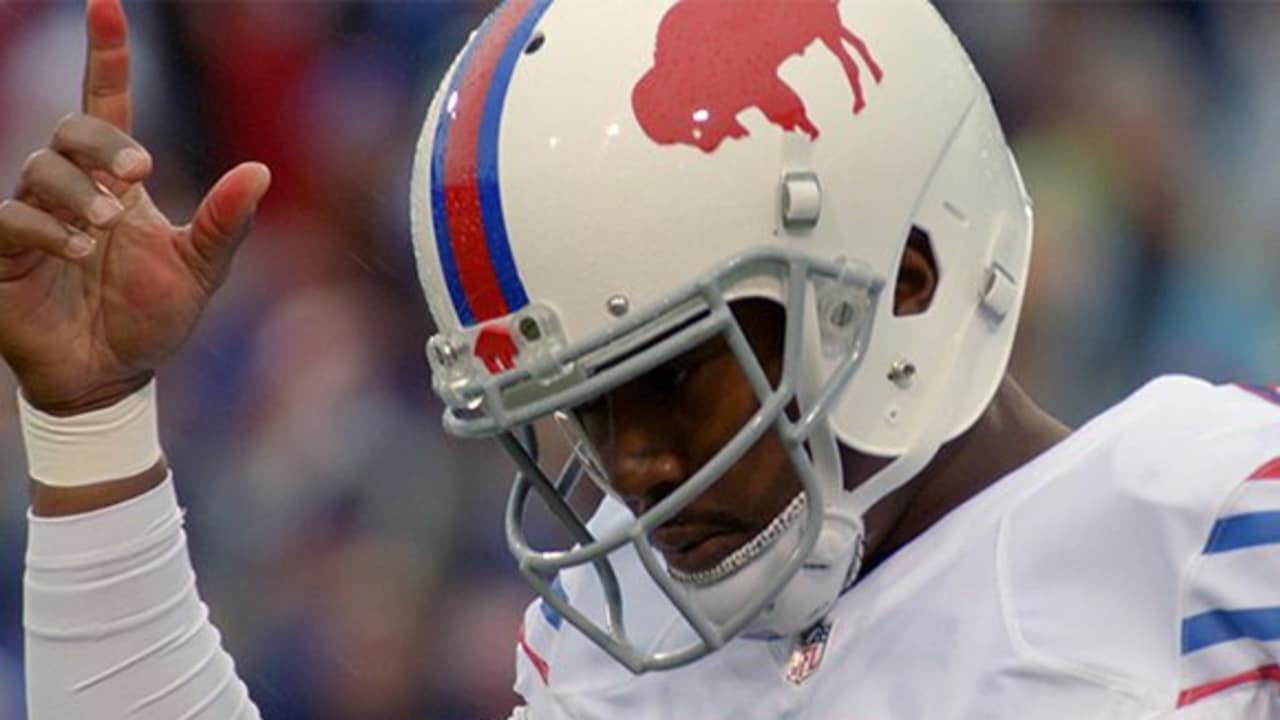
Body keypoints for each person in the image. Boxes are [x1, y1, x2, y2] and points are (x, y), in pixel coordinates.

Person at [3, 0, 1278, 718]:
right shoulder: (616, 653)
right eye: (584, 411)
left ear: (904, 280)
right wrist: (93, 424)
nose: (640, 466)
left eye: (669, 376)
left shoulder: (1215, 524)